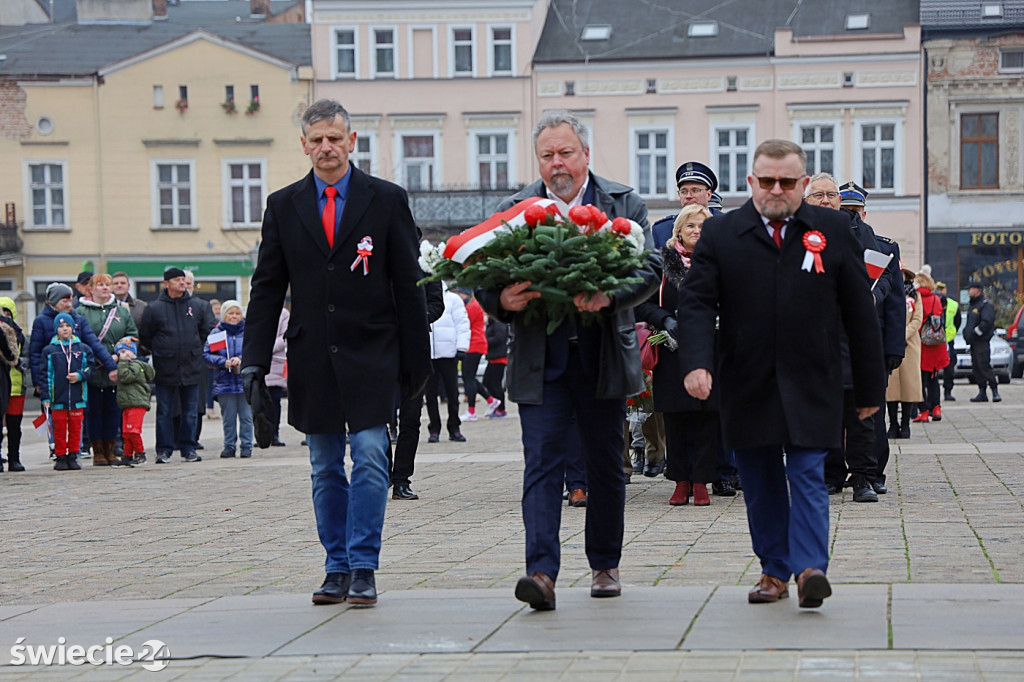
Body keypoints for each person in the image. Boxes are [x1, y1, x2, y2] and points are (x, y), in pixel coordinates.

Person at [677, 139, 885, 608]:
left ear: (804, 184)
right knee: (761, 479)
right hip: (746, 380)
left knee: (809, 473)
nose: (776, 189)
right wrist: (695, 362)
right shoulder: (722, 234)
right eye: (766, 181)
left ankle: (811, 569)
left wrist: (870, 387)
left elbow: (858, 312)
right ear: (751, 182)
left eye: (787, 182)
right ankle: (773, 570)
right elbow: (695, 304)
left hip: (813, 378)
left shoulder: (832, 228)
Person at [241, 99, 431, 608]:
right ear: (304, 145)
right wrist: (255, 358)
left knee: (370, 455)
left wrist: (418, 361)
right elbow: (266, 288)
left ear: (351, 142)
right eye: (316, 139)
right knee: (325, 465)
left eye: (335, 138)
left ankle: (363, 564)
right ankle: (336, 566)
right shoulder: (284, 206)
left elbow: (409, 284)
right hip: (313, 359)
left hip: (374, 352)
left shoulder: (385, 199)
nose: (326, 147)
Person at [477, 109, 658, 610]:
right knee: (541, 465)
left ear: (586, 155)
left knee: (605, 465)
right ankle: (541, 573)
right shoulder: (516, 208)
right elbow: (484, 275)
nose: (557, 163)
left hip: (604, 358)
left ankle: (604, 566)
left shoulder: (623, 203)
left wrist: (611, 296)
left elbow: (650, 267)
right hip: (541, 362)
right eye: (547, 155)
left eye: (566, 153)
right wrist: (502, 303)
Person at [805, 175, 890, 502]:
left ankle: (864, 478)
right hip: (815, 338)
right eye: (818, 195)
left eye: (831, 194)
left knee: (861, 415)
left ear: (839, 200)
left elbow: (885, 278)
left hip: (854, 336)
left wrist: (869, 298)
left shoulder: (859, 231)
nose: (825, 200)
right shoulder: (798, 232)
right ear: (807, 199)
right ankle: (829, 476)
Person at [636, 203, 718, 506]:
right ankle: (680, 480)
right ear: (679, 231)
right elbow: (641, 303)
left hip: (711, 348)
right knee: (676, 417)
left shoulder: (718, 261)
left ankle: (701, 482)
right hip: (671, 348)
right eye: (691, 226)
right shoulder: (661, 262)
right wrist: (664, 320)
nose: (697, 231)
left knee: (707, 416)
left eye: (702, 226)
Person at [30, 283, 120, 459]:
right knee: (56, 418)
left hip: (75, 381)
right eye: (65, 300)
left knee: (75, 419)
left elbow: (94, 345)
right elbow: (35, 353)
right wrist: (38, 383)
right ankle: (57, 450)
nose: (70, 303)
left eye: (71, 299)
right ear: (54, 301)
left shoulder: (77, 320)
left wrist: (112, 366)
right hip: (54, 381)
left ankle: (74, 451)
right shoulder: (41, 321)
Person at [138, 267, 216, 464]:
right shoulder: (155, 308)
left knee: (190, 411)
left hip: (191, 365)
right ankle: (163, 449)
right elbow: (146, 335)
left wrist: (195, 348)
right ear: (166, 283)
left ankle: (189, 448)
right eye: (177, 280)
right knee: (164, 410)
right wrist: (161, 349)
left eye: (183, 279)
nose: (182, 283)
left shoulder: (197, 306)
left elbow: (206, 330)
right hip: (166, 366)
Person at [76, 273, 138, 466]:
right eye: (100, 284)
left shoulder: (122, 311)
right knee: (94, 411)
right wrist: (97, 359)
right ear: (91, 289)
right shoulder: (81, 312)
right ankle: (98, 451)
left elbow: (132, 335)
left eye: (107, 284)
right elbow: (79, 340)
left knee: (113, 411)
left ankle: (111, 449)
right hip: (92, 369)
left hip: (116, 368)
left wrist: (119, 355)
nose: (104, 288)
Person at [41, 313, 93, 471]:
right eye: (61, 327)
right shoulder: (49, 350)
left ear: (73, 328)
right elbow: (45, 375)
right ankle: (60, 456)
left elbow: (90, 368)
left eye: (67, 326)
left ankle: (73, 455)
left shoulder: (83, 348)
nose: (65, 329)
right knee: (59, 428)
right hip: (57, 398)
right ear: (56, 329)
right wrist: (46, 396)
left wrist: (80, 375)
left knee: (76, 428)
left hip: (77, 397)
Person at [204, 300, 252, 459]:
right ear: (224, 315)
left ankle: (246, 446)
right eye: (231, 313)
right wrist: (223, 362)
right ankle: (229, 446)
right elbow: (207, 355)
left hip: (244, 382)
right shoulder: (217, 333)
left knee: (246, 417)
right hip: (224, 382)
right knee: (228, 418)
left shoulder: (247, 332)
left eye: (237, 313)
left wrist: (242, 359)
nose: (234, 316)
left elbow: (254, 352)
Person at [424, 285, 470, 443]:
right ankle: (434, 428)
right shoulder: (422, 296)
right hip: (428, 353)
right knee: (430, 395)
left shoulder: (453, 299)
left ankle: (454, 427)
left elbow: (462, 323)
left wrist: (461, 347)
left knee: (452, 393)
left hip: (449, 353)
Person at [453, 288, 501, 421]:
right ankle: (491, 400)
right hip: (474, 344)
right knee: (470, 377)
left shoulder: (472, 307)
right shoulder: (473, 305)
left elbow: (463, 322)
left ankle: (471, 411)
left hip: (473, 344)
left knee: (468, 378)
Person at [886, 269, 923, 440]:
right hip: (890, 342)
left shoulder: (915, 296)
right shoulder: (887, 292)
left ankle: (906, 423)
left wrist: (902, 334)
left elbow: (918, 319)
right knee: (891, 388)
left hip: (910, 344)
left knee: (909, 385)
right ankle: (893, 423)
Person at [651, 161, 720, 247]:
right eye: (684, 191)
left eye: (695, 190)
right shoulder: (662, 229)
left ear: (708, 194)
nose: (688, 196)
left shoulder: (726, 224)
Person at [911, 271, 950, 421]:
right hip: (936, 343)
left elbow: (917, 321)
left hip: (922, 344)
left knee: (920, 379)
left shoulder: (917, 298)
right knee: (934, 378)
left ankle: (924, 410)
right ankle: (937, 408)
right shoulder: (936, 299)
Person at [115, 337, 154, 465]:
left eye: (125, 352)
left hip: (137, 403)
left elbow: (126, 377)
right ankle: (127, 455)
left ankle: (140, 453)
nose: (122, 356)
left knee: (133, 431)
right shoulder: (125, 366)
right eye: (119, 354)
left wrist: (122, 362)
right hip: (128, 403)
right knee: (126, 432)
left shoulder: (136, 365)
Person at [0, 297, 27, 472]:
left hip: (16, 385)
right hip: (2, 382)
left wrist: (20, 362)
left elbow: (28, 357)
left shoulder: (18, 333)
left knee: (14, 426)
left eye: (8, 313)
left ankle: (14, 458)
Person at [964, 279, 999, 403]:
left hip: (981, 342)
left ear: (977, 290)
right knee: (976, 368)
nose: (968, 291)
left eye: (970, 289)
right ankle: (982, 392)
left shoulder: (985, 304)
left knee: (984, 365)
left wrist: (975, 333)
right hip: (973, 343)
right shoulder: (973, 304)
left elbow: (987, 322)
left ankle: (995, 391)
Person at [264, 308, 289, 447]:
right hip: (261, 362)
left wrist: (267, 347)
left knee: (274, 401)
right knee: (260, 402)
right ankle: (262, 434)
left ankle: (274, 433)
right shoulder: (257, 309)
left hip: (276, 362)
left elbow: (284, 336)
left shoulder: (284, 314)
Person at [934, 281, 962, 402]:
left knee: (949, 368)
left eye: (942, 289)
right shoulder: (933, 302)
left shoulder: (953, 305)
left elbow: (957, 322)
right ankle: (933, 395)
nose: (940, 292)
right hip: (934, 341)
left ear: (946, 290)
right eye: (938, 289)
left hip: (948, 341)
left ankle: (948, 392)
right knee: (933, 368)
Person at [483, 316, 509, 418]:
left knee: (495, 384)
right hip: (493, 357)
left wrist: (485, 341)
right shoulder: (492, 323)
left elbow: (499, 338)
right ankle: (496, 405)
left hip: (499, 357)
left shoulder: (498, 322)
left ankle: (501, 408)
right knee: (488, 382)